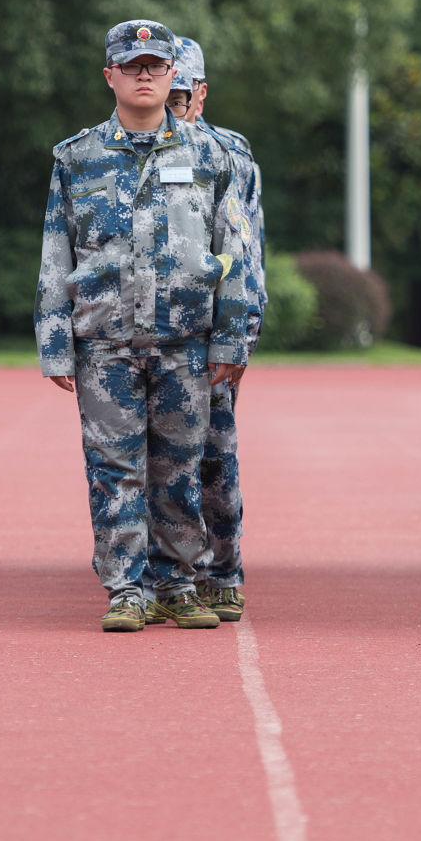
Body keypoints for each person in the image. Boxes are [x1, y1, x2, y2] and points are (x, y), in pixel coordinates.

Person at [37, 19, 259, 633]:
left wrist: (233, 337)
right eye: (132, 66)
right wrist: (54, 344)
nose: (144, 76)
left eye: (155, 67)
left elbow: (234, 252)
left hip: (185, 341)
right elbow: (57, 252)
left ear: (172, 76)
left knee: (179, 469)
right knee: (114, 470)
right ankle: (127, 588)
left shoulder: (211, 156)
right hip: (104, 343)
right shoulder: (76, 157)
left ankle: (177, 583)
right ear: (110, 75)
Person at [158, 36, 263, 622]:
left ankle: (222, 569)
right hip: (151, 330)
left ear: (200, 93)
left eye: (180, 95)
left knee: (215, 456)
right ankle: (165, 571)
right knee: (155, 459)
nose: (171, 105)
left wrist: (242, 331)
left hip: (211, 328)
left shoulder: (228, 154)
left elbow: (247, 249)